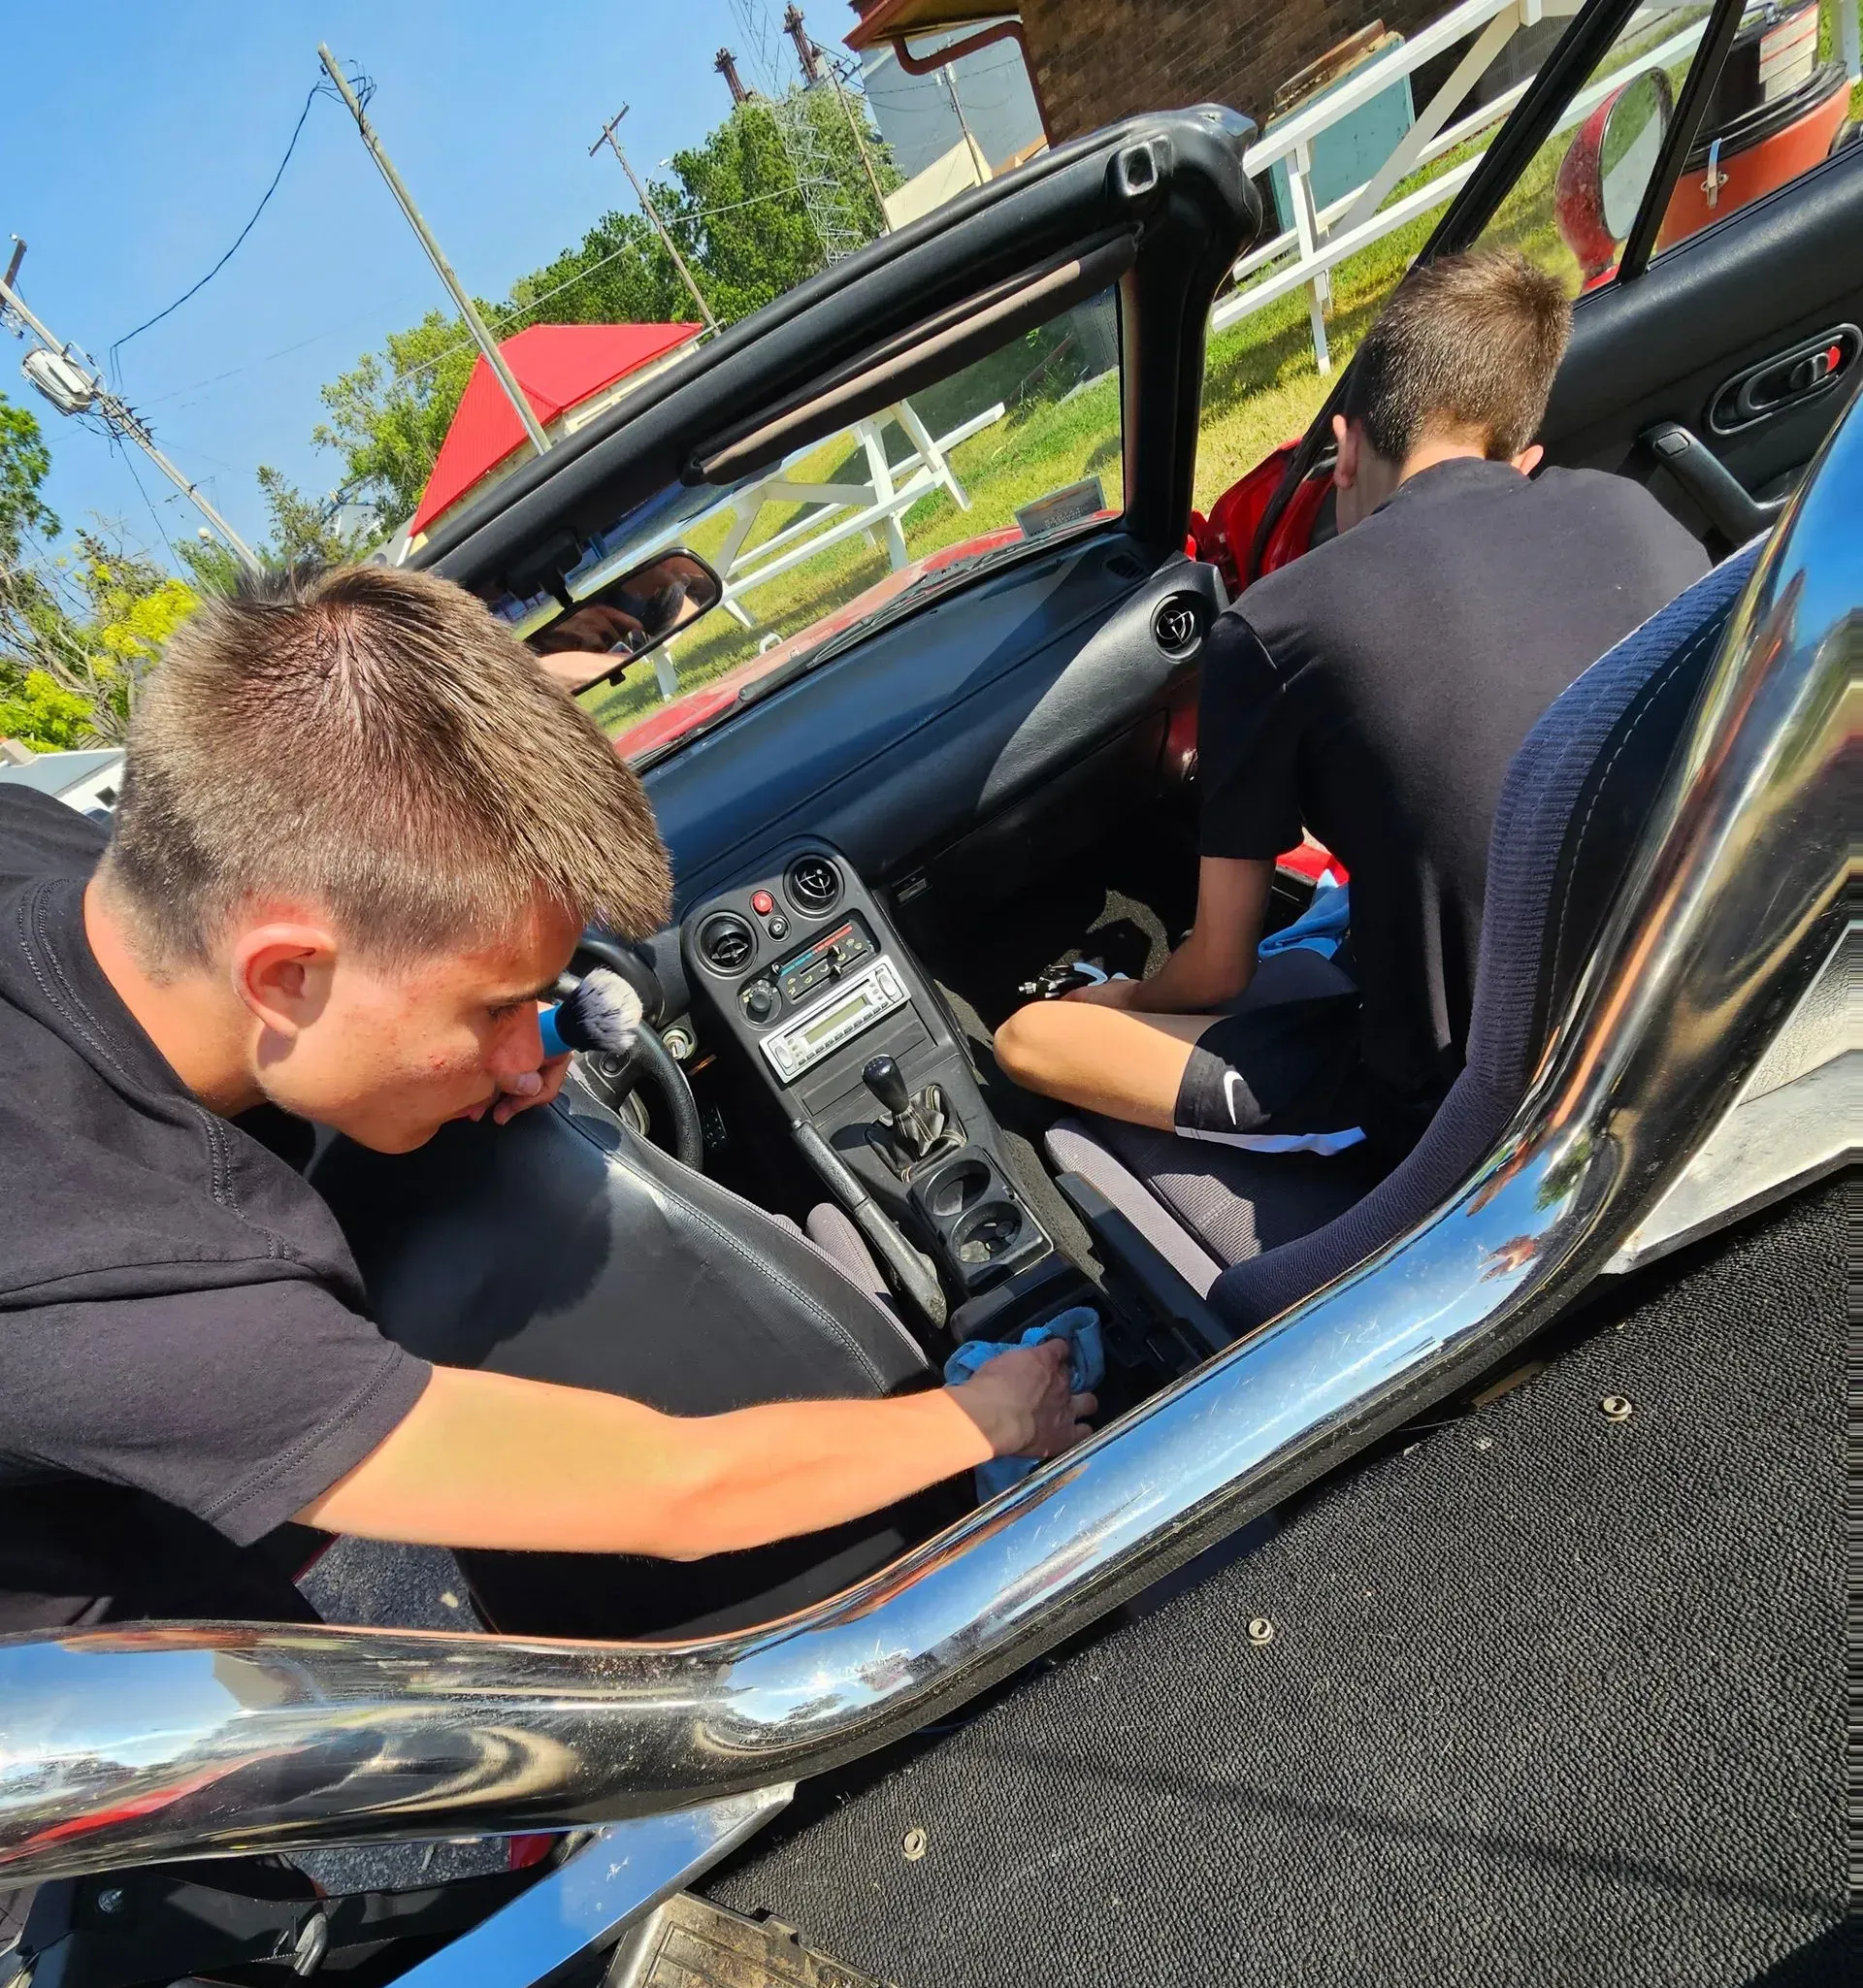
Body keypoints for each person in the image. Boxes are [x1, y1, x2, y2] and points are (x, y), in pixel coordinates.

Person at [0, 565, 1091, 1634]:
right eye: (495, 1009)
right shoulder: (130, 1291)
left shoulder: (42, 850)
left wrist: (471, 1044)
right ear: (285, 976)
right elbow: (671, 1487)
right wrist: (987, 1414)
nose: (532, 1057)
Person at [994, 249, 1709, 1165]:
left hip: (1473, 1099)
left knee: (1031, 1037)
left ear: (1345, 449)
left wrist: (1120, 993)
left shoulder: (1275, 624)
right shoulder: (1642, 518)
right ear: (1522, 457)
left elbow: (1218, 971)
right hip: (1691, 991)